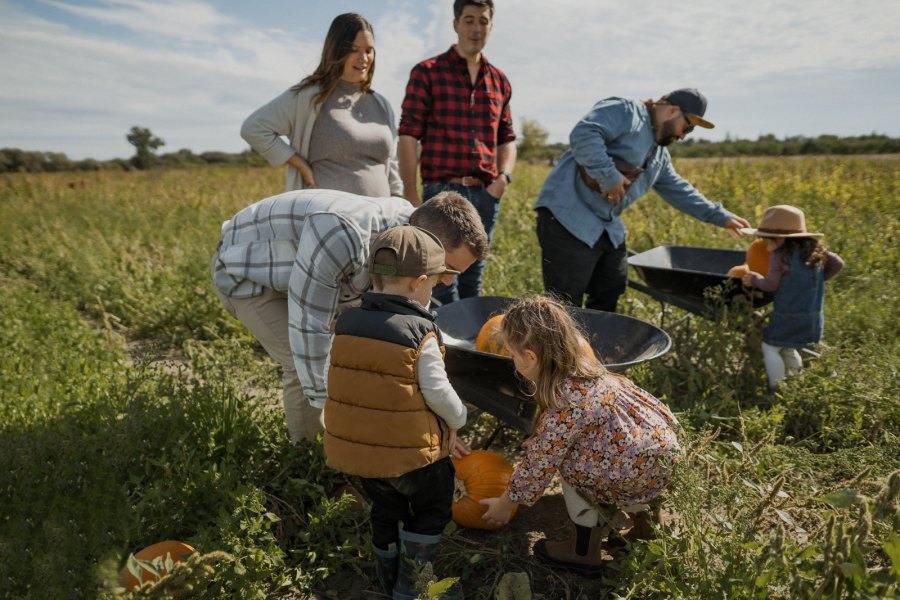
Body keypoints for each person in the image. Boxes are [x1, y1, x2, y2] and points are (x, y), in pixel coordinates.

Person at [211, 189, 487, 443]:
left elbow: (409, 324)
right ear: (427, 239)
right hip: (248, 273)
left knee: (347, 354)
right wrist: (345, 418)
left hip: (310, 275)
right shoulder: (343, 235)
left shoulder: (413, 239)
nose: (448, 282)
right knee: (301, 361)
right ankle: (311, 458)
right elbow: (309, 327)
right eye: (448, 268)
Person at [479, 296, 680, 576]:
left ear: (530, 357)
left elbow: (539, 462)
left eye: (512, 354)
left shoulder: (564, 401)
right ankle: (646, 529)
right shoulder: (592, 371)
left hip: (630, 472)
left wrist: (506, 503)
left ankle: (582, 551)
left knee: (568, 462)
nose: (513, 361)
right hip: (662, 457)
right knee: (622, 457)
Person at [323, 225, 471, 597]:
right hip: (411, 458)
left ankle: (386, 576)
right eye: (433, 284)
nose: (432, 291)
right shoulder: (419, 332)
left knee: (386, 509)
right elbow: (437, 391)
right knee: (431, 509)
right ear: (418, 283)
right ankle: (413, 587)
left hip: (359, 455)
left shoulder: (346, 323)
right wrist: (458, 418)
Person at [535, 89, 751, 312]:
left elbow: (679, 190)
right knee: (566, 301)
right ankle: (557, 335)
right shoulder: (626, 111)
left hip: (605, 226)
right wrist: (609, 176)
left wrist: (720, 216)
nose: (684, 136)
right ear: (672, 111)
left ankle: (596, 335)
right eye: (687, 127)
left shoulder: (659, 156)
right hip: (567, 217)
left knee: (610, 289)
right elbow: (585, 133)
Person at [398, 0, 516, 304]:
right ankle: (440, 336)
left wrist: (502, 180)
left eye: (483, 21)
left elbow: (507, 138)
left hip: (484, 194)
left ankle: (468, 335)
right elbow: (408, 135)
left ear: (491, 26)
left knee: (473, 277)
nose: (476, 28)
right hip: (441, 194)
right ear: (455, 24)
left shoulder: (499, 80)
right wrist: (410, 193)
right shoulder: (427, 72)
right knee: (439, 280)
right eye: (469, 20)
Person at [241, 13, 403, 197]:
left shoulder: (381, 104)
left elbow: (392, 163)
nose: (364, 58)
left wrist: (398, 200)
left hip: (381, 213)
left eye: (368, 50)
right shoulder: (309, 97)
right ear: (336, 50)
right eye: (354, 50)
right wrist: (300, 165)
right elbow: (254, 128)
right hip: (326, 213)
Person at [740, 205, 844, 391]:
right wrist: (816, 281)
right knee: (789, 348)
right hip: (813, 318)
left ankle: (776, 388)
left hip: (787, 316)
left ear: (779, 239)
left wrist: (754, 278)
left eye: (766, 240)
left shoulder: (780, 256)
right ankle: (795, 385)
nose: (765, 246)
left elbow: (771, 285)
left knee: (770, 347)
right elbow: (838, 263)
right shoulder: (816, 250)